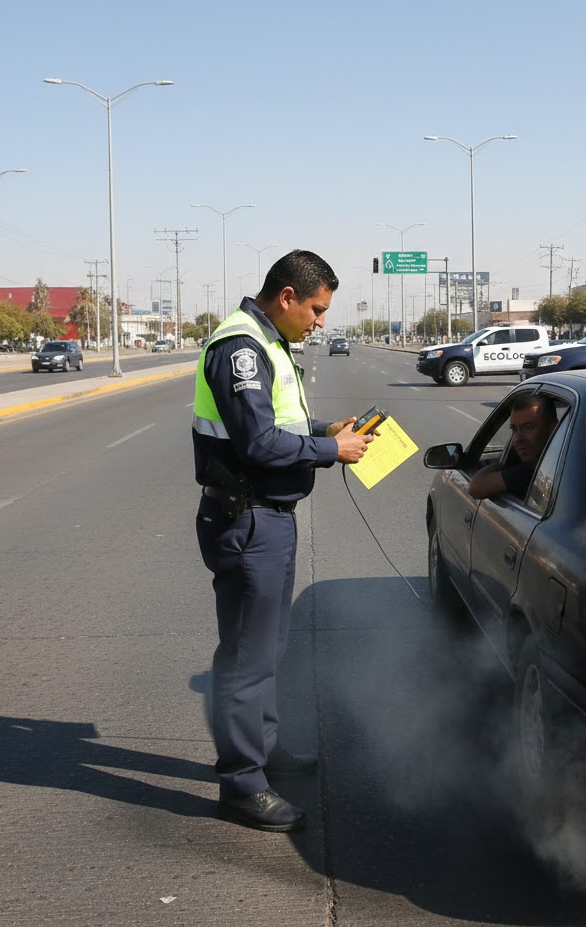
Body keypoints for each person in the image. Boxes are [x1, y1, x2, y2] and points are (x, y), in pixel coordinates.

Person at [193, 249, 372, 832]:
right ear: (288, 296)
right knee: (247, 658)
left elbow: (280, 426)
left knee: (267, 650)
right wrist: (331, 451)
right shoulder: (241, 348)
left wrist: (325, 431)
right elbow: (256, 445)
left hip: (270, 517)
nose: (320, 321)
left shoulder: (271, 343)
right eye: (317, 310)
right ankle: (242, 785)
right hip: (247, 521)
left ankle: (264, 753)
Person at [469, 394, 557, 500]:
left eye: (528, 428)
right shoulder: (563, 460)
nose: (518, 439)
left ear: (552, 428)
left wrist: (502, 463)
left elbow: (476, 488)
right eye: (514, 429)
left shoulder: (536, 471)